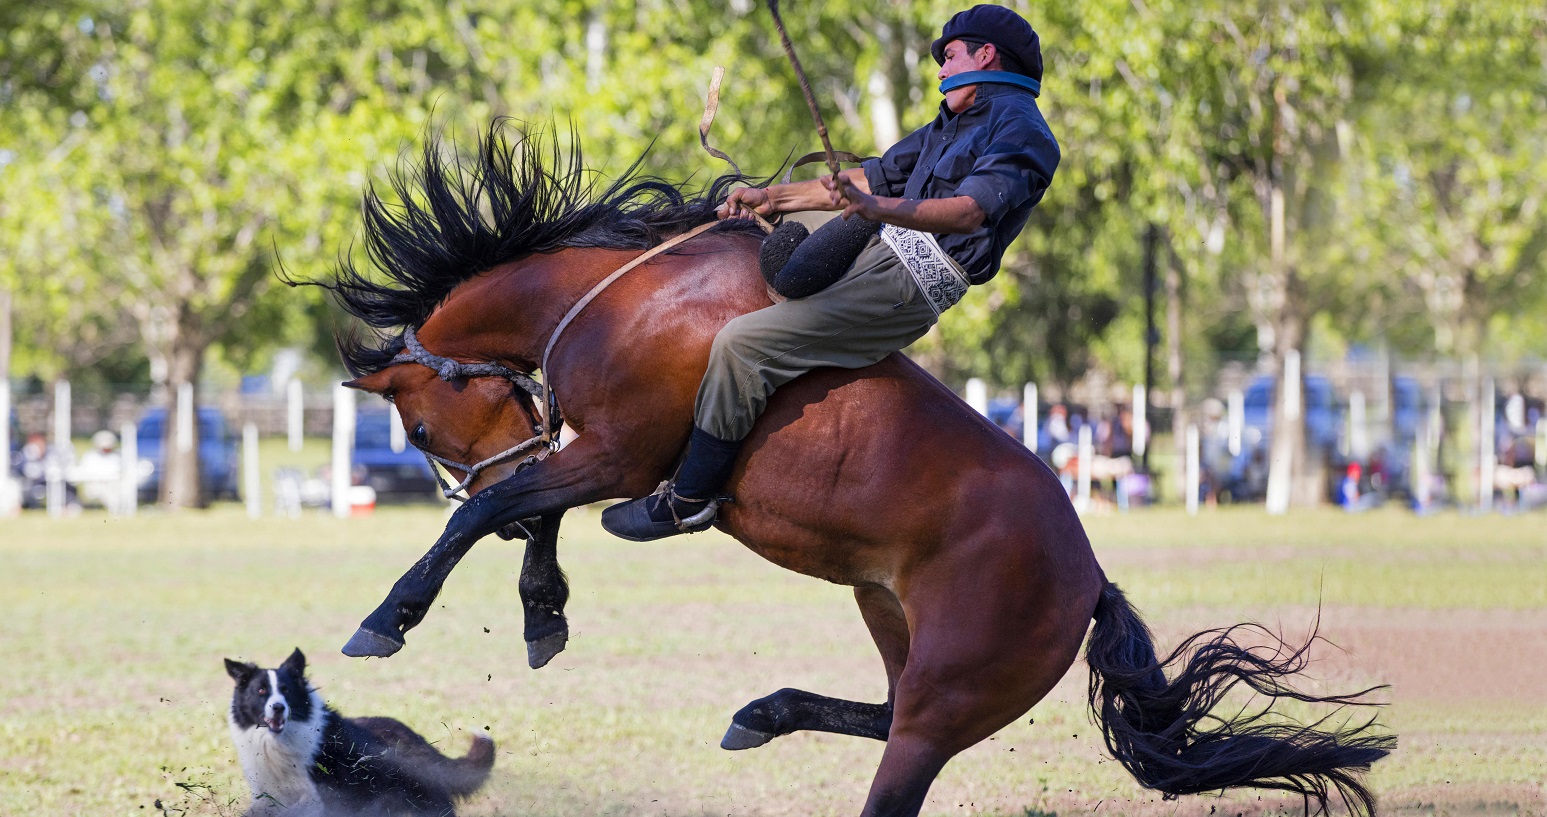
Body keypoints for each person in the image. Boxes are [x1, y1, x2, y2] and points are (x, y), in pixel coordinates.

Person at [603, 4, 1060, 540]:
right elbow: (865, 182)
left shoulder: (1025, 129)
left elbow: (968, 211)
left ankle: (688, 500)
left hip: (914, 277)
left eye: (950, 56)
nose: (940, 70)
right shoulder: (950, 121)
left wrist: (880, 210)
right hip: (882, 235)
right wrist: (769, 197)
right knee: (753, 232)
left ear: (985, 55)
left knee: (740, 345)